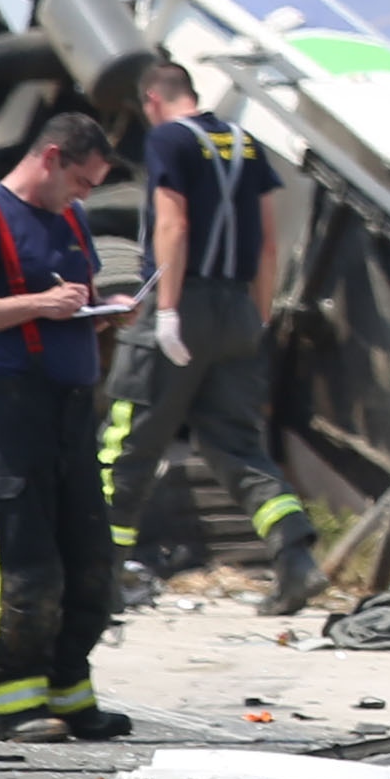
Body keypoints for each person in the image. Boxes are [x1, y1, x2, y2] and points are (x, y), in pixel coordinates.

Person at [0, 113, 134, 741]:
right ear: (49, 158)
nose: (84, 194)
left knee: (90, 563)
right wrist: (39, 306)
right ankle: (14, 703)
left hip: (72, 411)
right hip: (11, 414)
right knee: (27, 570)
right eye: (79, 179)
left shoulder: (71, 219)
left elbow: (73, 302)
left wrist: (102, 316)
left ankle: (71, 694)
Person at [97, 63, 315, 611]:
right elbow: (268, 243)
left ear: (153, 99)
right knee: (239, 447)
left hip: (181, 303)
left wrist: (167, 312)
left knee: (128, 445)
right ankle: (296, 557)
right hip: (237, 308)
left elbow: (173, 224)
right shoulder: (245, 144)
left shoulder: (168, 139)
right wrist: (256, 318)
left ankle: (97, 572)